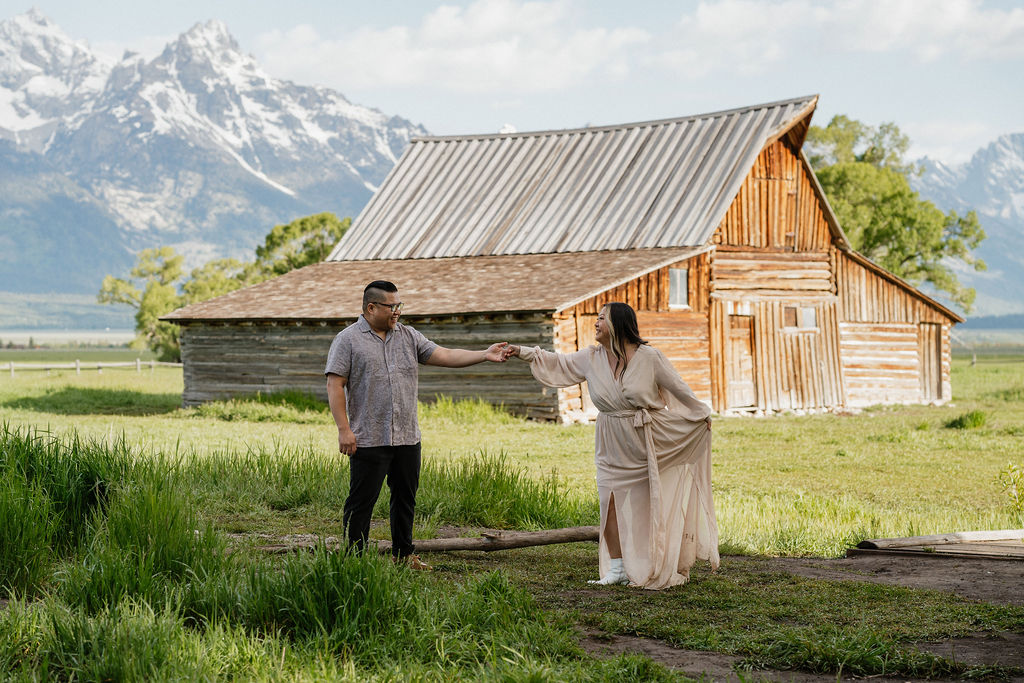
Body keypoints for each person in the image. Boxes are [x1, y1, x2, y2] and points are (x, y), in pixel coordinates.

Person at [508, 302, 718, 590]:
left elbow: (678, 387)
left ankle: (654, 561)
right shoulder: (591, 358)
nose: (595, 323)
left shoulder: (649, 357)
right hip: (609, 440)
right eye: (596, 318)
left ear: (618, 324)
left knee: (649, 502)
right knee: (608, 503)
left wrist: (700, 414)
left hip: (646, 440)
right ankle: (617, 568)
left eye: (601, 318)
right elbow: (557, 362)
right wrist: (521, 351)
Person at [325, 280, 510, 570]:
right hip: (369, 437)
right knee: (361, 502)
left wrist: (484, 355)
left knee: (405, 499)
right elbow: (335, 384)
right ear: (371, 307)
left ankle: (404, 555)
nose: (397, 311)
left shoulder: (408, 337)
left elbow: (446, 354)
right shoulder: (347, 340)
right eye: (391, 306)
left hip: (407, 437)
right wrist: (343, 430)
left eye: (399, 305)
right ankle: (354, 560)